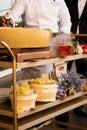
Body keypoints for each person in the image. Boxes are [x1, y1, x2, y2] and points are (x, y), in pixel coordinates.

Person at [0, 0, 71, 128]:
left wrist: (61, 36)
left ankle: (60, 111)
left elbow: (66, 20)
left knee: (56, 79)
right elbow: (15, 13)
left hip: (53, 43)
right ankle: (32, 116)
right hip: (31, 44)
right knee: (31, 82)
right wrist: (9, 18)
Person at [64, 0, 87, 117]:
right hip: (68, 39)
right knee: (63, 73)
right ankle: (62, 110)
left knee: (82, 74)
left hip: (85, 41)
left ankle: (78, 106)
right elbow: (63, 17)